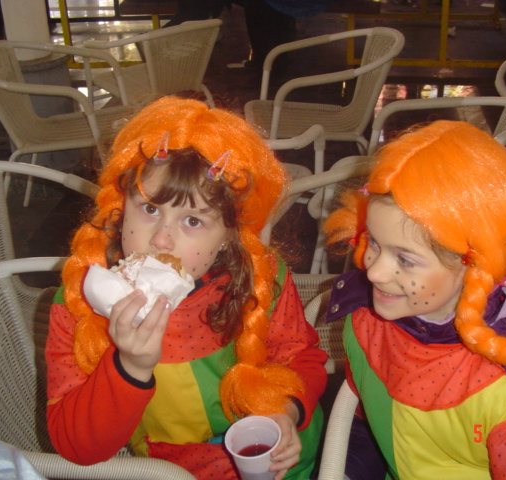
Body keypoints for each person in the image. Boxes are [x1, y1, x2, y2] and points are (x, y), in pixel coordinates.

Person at [45, 96, 327, 480]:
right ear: (121, 206)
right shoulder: (81, 302)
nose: (161, 239)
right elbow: (75, 446)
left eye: (193, 221)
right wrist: (130, 367)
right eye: (149, 209)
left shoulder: (262, 280)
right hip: (170, 470)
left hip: (278, 463)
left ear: (229, 235)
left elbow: (302, 357)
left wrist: (288, 410)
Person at [322, 120, 506, 479]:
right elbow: (372, 425)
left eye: (405, 259)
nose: (374, 273)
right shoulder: (366, 318)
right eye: (373, 241)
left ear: (474, 264)